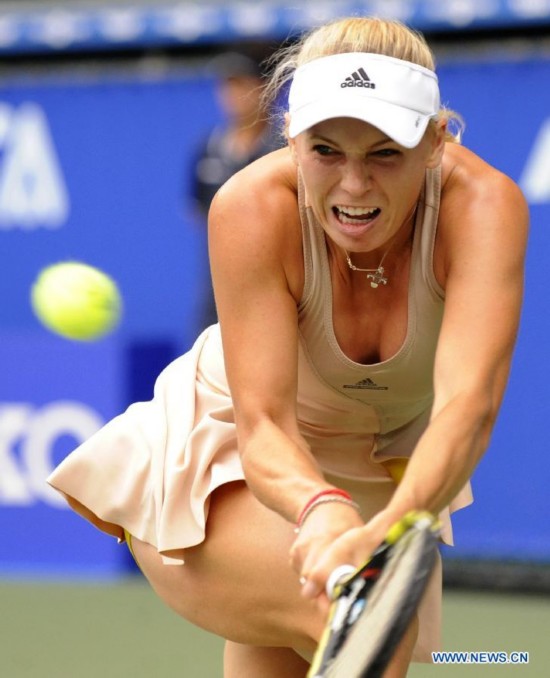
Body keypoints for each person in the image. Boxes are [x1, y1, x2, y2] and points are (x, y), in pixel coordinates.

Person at [48, 15, 529, 678]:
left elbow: (466, 407)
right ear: (291, 137)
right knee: (362, 613)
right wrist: (320, 510)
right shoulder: (249, 205)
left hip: (371, 466)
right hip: (224, 459)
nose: (353, 187)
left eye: (385, 152)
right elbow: (264, 424)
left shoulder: (485, 209)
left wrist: (387, 527)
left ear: (435, 143)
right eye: (325, 151)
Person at [190, 50, 283, 327]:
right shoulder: (207, 147)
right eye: (226, 84)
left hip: (277, 284)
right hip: (216, 289)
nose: (232, 93)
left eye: (242, 83)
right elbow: (198, 212)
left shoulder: (286, 149)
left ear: (266, 88)